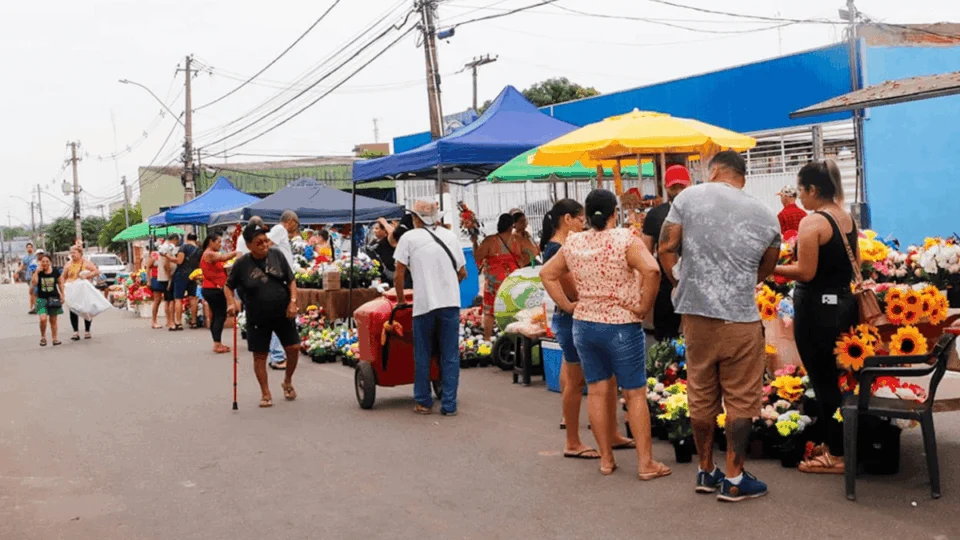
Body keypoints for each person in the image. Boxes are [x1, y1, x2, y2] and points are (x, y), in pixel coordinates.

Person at [658, 150, 781, 502]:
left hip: (696, 317)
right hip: (740, 318)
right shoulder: (766, 215)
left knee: (700, 394)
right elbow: (768, 265)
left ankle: (705, 469)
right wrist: (741, 283)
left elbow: (666, 247)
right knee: (741, 400)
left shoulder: (688, 198)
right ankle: (734, 476)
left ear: (712, 172)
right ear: (742, 176)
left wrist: (680, 281)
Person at [540, 189, 668, 480]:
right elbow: (652, 271)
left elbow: (547, 273)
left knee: (597, 391)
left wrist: (567, 305)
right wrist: (643, 307)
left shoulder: (574, 242)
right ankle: (646, 463)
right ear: (614, 213)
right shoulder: (625, 239)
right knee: (634, 393)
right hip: (622, 325)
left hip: (585, 325)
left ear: (587, 214)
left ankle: (606, 460)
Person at [774, 160, 856, 475]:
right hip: (842, 307)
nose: (800, 197)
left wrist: (770, 268)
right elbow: (855, 263)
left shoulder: (813, 222)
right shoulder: (845, 218)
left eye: (801, 190)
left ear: (813, 189)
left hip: (817, 311)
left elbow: (806, 272)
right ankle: (836, 442)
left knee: (823, 381)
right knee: (836, 378)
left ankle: (836, 454)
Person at [540, 199, 637, 459]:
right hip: (572, 318)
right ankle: (572, 441)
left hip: (584, 318)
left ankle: (611, 433)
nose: (583, 224)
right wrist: (570, 305)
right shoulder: (558, 248)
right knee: (577, 381)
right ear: (567, 219)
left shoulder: (571, 245)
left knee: (604, 378)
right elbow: (567, 285)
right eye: (580, 219)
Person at [394, 200, 467, 416]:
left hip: (424, 305)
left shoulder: (408, 238)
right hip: (450, 304)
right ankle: (449, 405)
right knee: (450, 355)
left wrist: (400, 300)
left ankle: (424, 402)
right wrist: (448, 286)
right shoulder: (450, 237)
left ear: (416, 218)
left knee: (423, 354)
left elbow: (399, 274)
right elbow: (463, 272)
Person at [225, 223, 301, 408]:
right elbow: (228, 286)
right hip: (257, 315)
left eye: (266, 241)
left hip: (283, 312)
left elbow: (291, 280)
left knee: (294, 348)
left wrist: (293, 302)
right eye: (259, 242)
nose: (265, 245)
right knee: (260, 355)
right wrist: (231, 303)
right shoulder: (242, 264)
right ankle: (265, 392)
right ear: (249, 245)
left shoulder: (277, 255)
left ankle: (287, 380)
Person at [641, 164, 691, 340]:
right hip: (666, 285)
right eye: (674, 187)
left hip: (692, 284)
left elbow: (646, 254)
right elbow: (646, 254)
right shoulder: (655, 215)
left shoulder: (700, 211)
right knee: (667, 340)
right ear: (666, 187)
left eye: (681, 186)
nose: (678, 191)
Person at [472, 214, 522, 341]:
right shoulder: (518, 240)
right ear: (511, 226)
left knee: (489, 311)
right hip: (513, 281)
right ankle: (516, 338)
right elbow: (528, 257)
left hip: (494, 283)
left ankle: (487, 339)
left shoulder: (490, 241)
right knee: (515, 308)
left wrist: (474, 242)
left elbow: (477, 256)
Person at [266, 210, 300, 370]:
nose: (296, 227)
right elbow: (266, 244)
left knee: (280, 318)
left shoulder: (280, 231)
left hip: (281, 277)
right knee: (281, 318)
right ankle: (278, 356)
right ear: (291, 221)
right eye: (296, 223)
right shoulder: (279, 229)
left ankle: (277, 354)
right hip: (281, 279)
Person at [200, 233, 239, 354]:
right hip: (213, 289)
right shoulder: (209, 254)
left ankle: (217, 342)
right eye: (218, 242)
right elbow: (224, 257)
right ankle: (217, 343)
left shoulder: (210, 254)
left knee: (217, 315)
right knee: (220, 315)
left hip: (213, 288)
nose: (220, 244)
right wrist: (238, 251)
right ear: (210, 242)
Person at [60, 245, 101, 341]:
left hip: (83, 290)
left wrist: (87, 275)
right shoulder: (68, 264)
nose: (72, 254)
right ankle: (75, 332)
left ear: (80, 253)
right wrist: (62, 288)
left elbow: (96, 271)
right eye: (71, 253)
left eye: (74, 252)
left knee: (86, 309)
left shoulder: (86, 263)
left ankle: (87, 331)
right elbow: (63, 277)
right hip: (71, 290)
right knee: (73, 309)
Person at [32, 252, 64, 346]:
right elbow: (34, 283)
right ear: (40, 262)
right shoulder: (38, 272)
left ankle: (55, 339)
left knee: (53, 320)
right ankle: (43, 337)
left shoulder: (55, 271)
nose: (45, 263)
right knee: (43, 319)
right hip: (41, 298)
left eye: (47, 261)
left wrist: (62, 294)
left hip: (54, 297)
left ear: (50, 262)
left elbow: (60, 283)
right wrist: (36, 272)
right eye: (43, 261)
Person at [170, 233, 201, 329]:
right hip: (193, 275)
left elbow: (179, 261)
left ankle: (178, 322)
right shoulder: (199, 250)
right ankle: (194, 321)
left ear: (187, 239)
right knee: (193, 298)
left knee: (178, 298)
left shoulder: (184, 247)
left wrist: (168, 257)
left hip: (181, 274)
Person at [157, 237, 179, 330]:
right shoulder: (168, 248)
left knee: (167, 300)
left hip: (164, 277)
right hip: (167, 278)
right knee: (171, 301)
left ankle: (168, 321)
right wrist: (169, 278)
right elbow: (166, 265)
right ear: (174, 240)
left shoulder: (163, 248)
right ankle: (171, 322)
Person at [19, 242, 38, 314]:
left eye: (30, 247)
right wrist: (17, 272)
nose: (29, 248)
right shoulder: (25, 257)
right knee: (32, 292)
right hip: (28, 277)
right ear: (26, 249)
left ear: (32, 248)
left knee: (34, 292)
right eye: (28, 247)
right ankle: (33, 307)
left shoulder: (35, 256)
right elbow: (22, 266)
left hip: (35, 276)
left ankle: (35, 307)